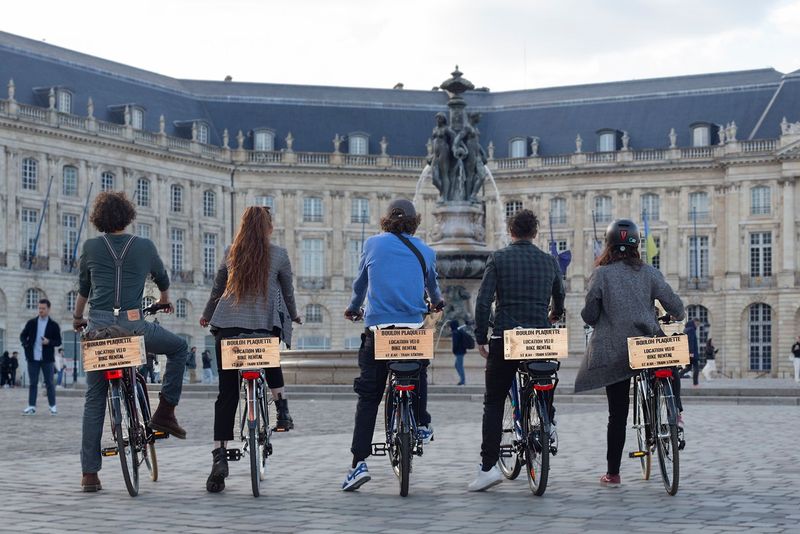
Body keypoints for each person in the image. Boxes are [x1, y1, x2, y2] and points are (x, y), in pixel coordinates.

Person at [73, 191, 190, 492]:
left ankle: (89, 474)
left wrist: (77, 317)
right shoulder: (145, 246)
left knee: (94, 400)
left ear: (99, 219)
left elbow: (84, 289)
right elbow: (162, 278)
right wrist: (164, 298)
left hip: (98, 328)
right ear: (128, 216)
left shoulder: (90, 247)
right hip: (134, 326)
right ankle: (164, 412)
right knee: (178, 348)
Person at [341, 198, 443, 492]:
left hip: (379, 329)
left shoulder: (373, 244)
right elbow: (432, 286)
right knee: (419, 369)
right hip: (411, 328)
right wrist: (436, 302)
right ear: (415, 222)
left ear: (385, 221)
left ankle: (358, 464)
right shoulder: (426, 250)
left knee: (369, 397)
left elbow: (361, 283)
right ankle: (422, 424)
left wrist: (353, 307)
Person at [574, 219, 685, 488]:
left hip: (615, 351)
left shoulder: (601, 274)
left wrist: (597, 313)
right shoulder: (649, 272)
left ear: (609, 245)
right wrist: (669, 314)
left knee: (618, 414)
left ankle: (613, 473)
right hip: (647, 345)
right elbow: (677, 307)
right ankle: (676, 413)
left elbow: (589, 315)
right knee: (668, 359)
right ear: (636, 245)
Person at [200, 206, 301, 493]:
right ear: (269, 228)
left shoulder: (232, 251)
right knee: (268, 356)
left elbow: (218, 288)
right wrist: (293, 315)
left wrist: (208, 314)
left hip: (229, 327)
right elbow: (288, 292)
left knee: (227, 394)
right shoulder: (279, 254)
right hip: (262, 326)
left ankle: (219, 457)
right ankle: (281, 410)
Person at [468, 209, 565, 492]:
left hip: (506, 336)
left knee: (494, 401)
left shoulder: (498, 258)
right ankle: (548, 421)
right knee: (544, 379)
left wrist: (481, 336)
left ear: (511, 232)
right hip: (539, 336)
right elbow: (559, 297)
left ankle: (487, 469)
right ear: (534, 233)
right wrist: (555, 314)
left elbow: (483, 302)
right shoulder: (549, 261)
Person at [20, 298, 62, 416]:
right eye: (39, 308)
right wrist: (26, 344)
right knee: (33, 383)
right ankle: (31, 406)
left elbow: (58, 341)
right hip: (33, 358)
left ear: (48, 309)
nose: (41, 310)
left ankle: (52, 406)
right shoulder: (31, 323)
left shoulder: (53, 325)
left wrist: (49, 342)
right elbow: (23, 336)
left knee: (49, 383)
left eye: (43, 308)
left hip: (47, 359)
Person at [449, 320, 470, 385]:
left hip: (459, 352)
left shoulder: (455, 333)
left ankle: (462, 380)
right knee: (457, 365)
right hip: (461, 351)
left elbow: (455, 343)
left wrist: (454, 350)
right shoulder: (459, 331)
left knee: (459, 366)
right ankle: (462, 379)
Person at [684, 319, 701, 386]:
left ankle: (677, 376)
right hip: (692, 353)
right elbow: (690, 342)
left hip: (688, 352)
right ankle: (695, 383)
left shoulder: (686, 329)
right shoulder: (691, 330)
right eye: (697, 324)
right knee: (696, 367)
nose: (698, 326)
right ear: (695, 322)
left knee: (688, 368)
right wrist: (691, 352)